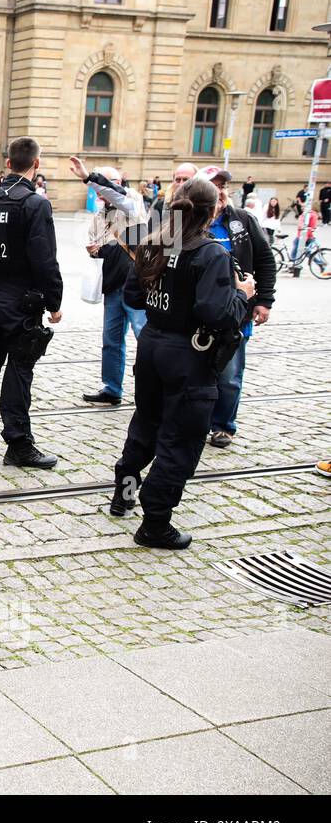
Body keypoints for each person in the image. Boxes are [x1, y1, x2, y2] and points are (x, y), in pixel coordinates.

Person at [111, 177, 254, 549]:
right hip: (188, 356)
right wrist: (243, 296)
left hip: (153, 346)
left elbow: (134, 296)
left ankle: (123, 493)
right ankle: (155, 524)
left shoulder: (154, 242)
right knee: (180, 440)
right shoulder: (210, 254)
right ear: (213, 210)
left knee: (146, 421)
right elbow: (215, 312)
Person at [0, 137, 63, 468]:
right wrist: (54, 301)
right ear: (37, 165)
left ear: (7, 163)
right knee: (19, 371)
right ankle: (18, 443)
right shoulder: (34, 204)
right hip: (21, 301)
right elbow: (45, 259)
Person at [195, 168, 275, 450]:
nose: (219, 190)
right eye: (213, 185)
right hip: (200, 313)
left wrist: (264, 300)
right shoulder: (190, 221)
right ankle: (198, 422)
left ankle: (223, 426)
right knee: (199, 371)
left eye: (223, 185)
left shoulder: (242, 219)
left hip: (237, 312)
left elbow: (265, 260)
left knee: (229, 375)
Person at [71, 157, 147, 408]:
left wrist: (91, 178)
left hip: (135, 283)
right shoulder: (100, 214)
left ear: (119, 182)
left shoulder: (132, 199)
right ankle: (112, 388)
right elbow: (99, 244)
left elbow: (119, 198)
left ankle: (151, 390)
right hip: (112, 283)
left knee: (144, 338)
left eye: (108, 183)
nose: (100, 190)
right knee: (111, 340)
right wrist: (93, 249)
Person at [290, 206, 318, 274]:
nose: (302, 208)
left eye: (304, 207)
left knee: (297, 251)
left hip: (305, 236)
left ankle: (294, 266)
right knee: (303, 252)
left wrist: (305, 237)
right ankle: (293, 265)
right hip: (301, 235)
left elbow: (312, 227)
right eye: (302, 207)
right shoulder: (305, 214)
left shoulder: (311, 215)